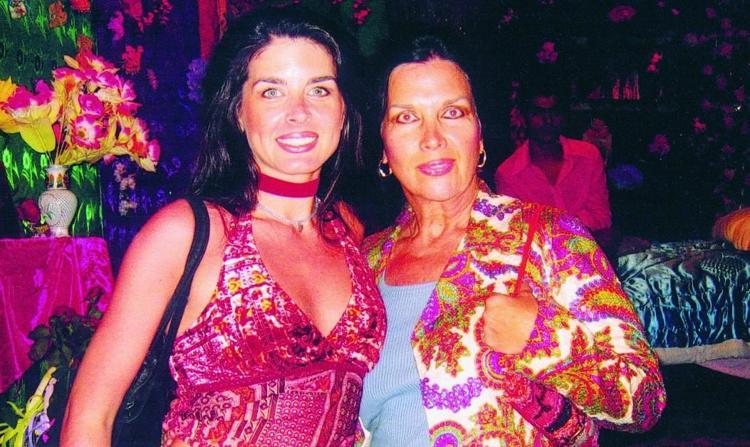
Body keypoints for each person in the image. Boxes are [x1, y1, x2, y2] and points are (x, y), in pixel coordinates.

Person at [61, 9, 385, 446]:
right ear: (238, 111)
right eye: (272, 92)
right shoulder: (186, 232)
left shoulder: (348, 228)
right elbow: (89, 416)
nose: (299, 113)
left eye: (319, 90)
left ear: (344, 109)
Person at [358, 34, 665, 446]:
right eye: (406, 117)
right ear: (382, 145)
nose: (432, 137)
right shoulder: (362, 262)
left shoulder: (551, 237)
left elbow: (645, 401)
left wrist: (545, 338)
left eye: (452, 112)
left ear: (480, 135)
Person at [494, 78, 615, 250]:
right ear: (524, 117)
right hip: (542, 261)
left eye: (554, 112)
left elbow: (602, 218)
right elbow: (518, 236)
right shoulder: (508, 174)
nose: (548, 120)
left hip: (590, 253)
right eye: (538, 113)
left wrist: (549, 228)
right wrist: (576, 224)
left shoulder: (588, 157)